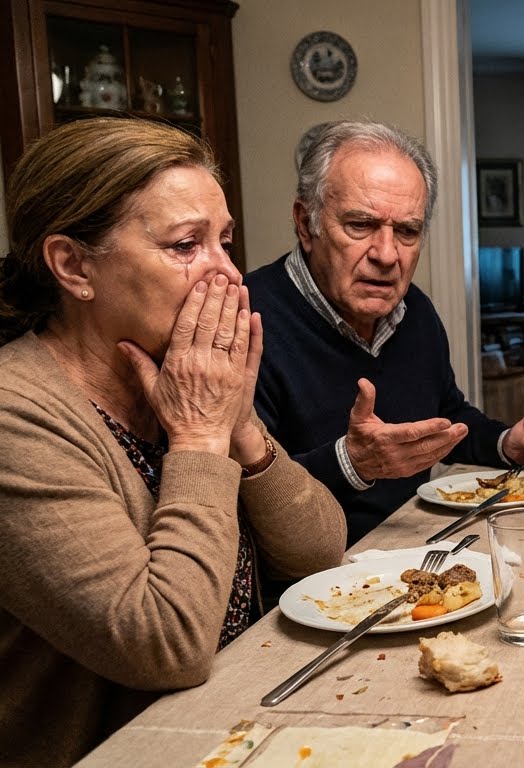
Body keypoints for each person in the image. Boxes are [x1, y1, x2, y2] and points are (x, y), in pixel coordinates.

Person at [0, 117, 346, 766]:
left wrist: (240, 430)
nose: (228, 275)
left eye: (225, 241)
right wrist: (200, 436)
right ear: (73, 266)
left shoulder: (176, 373)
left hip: (244, 721)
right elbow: (165, 644)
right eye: (186, 245)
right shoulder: (15, 417)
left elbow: (321, 552)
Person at [248, 121, 524, 547]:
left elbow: (447, 419)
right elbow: (241, 500)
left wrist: (507, 443)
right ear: (307, 224)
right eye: (360, 225)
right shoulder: (246, 323)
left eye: (408, 231)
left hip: (409, 548)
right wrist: (352, 463)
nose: (387, 254)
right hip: (306, 583)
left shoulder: (416, 312)